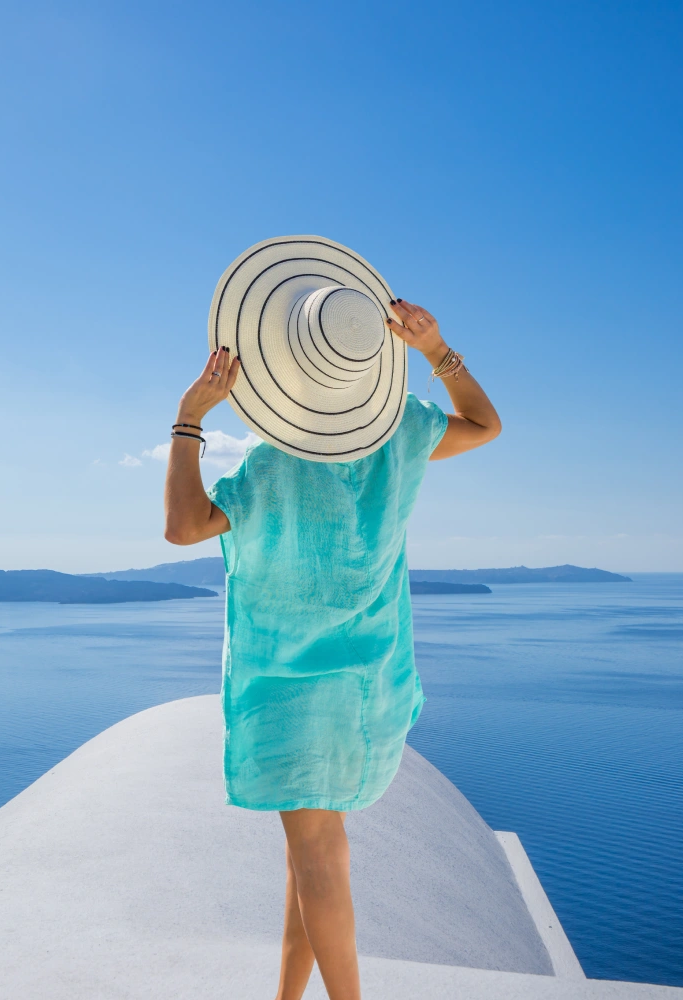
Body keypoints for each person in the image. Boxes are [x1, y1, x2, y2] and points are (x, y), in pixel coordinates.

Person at [162, 298, 501, 1000]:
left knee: (317, 857)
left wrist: (189, 419)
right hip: (372, 686)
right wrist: (438, 350)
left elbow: (184, 527)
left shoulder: (269, 464)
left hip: (293, 695)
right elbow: (484, 424)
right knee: (308, 859)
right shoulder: (404, 428)